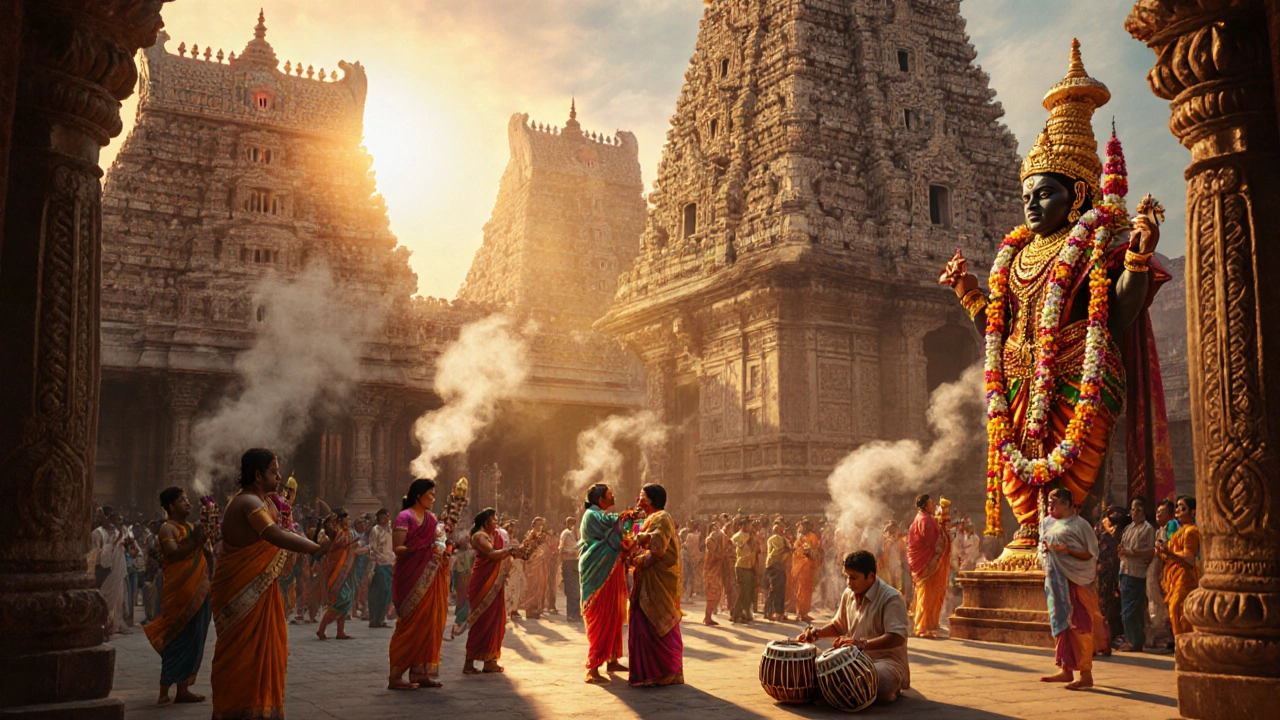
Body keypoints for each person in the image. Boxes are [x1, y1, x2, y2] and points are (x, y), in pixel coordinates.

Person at [936, 40, 1174, 552]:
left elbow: (1120, 310)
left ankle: (1071, 554)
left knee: (1073, 493)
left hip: (1080, 380)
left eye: (1045, 193)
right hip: (1019, 385)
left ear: (1081, 195)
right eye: (1027, 196)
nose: (1032, 204)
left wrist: (1138, 254)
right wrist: (967, 289)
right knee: (1022, 489)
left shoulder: (1095, 245)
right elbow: (997, 329)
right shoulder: (1017, 256)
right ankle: (1027, 545)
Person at [209, 448, 322, 720]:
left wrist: (316, 543)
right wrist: (317, 548)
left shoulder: (267, 503)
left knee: (267, 654)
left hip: (261, 591)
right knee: (241, 660)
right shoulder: (248, 503)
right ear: (258, 475)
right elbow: (274, 534)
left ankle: (260, 711)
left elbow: (285, 531)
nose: (280, 477)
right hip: (241, 592)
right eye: (274, 471)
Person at [797, 550, 911, 704]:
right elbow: (839, 626)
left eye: (854, 577)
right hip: (852, 658)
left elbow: (897, 637)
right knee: (812, 670)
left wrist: (862, 645)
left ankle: (891, 687)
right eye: (847, 577)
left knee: (872, 681)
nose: (849, 582)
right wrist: (816, 634)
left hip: (886, 661)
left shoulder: (891, 597)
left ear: (871, 576)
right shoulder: (849, 592)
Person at [145, 486, 212, 705]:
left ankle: (183, 689)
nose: (187, 503)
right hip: (179, 593)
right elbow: (172, 554)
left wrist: (205, 546)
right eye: (182, 500)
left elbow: (206, 554)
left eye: (187, 499)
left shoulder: (193, 528)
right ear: (171, 506)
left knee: (195, 639)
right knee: (175, 638)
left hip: (198, 591)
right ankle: (165, 690)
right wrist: (196, 542)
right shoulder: (167, 529)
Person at [387, 480, 451, 690]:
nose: (433, 498)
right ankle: (396, 676)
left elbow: (439, 543)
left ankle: (420, 672)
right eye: (430, 494)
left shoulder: (432, 519)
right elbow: (398, 549)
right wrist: (423, 548)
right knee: (410, 625)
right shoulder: (405, 517)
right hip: (410, 579)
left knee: (430, 622)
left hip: (429, 578)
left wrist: (442, 551)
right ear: (418, 496)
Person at [1039, 487, 1101, 691]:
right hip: (1054, 580)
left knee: (1079, 624)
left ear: (1067, 504)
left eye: (1054, 501)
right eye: (1049, 501)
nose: (1050, 505)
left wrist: (1067, 551)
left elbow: (1091, 554)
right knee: (1059, 622)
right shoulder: (1046, 523)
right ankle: (1065, 668)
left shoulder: (1081, 525)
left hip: (1074, 580)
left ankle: (1086, 673)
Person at [627, 484, 684, 687]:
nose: (639, 501)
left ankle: (667, 671)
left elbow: (659, 546)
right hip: (647, 580)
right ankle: (651, 672)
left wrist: (639, 548)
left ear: (652, 500)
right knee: (644, 624)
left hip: (659, 582)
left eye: (642, 497)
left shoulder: (662, 517)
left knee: (659, 622)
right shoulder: (649, 519)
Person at [579, 484, 628, 684]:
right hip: (598, 572)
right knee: (602, 616)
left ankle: (612, 658)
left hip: (610, 569)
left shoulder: (599, 514)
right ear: (601, 499)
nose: (613, 495)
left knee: (615, 614)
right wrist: (628, 515)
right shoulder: (592, 514)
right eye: (609, 493)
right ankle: (593, 667)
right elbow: (612, 524)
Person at [463, 508, 514, 674]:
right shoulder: (479, 536)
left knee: (496, 619)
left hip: (495, 582)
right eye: (494, 520)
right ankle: (469, 662)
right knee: (481, 620)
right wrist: (510, 551)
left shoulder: (495, 535)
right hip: (483, 582)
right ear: (485, 522)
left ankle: (490, 660)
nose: (497, 523)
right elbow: (491, 554)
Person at [316, 510, 366, 640]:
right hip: (337, 571)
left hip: (348, 571)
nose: (348, 520)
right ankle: (321, 629)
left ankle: (340, 631)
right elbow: (333, 543)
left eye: (348, 518)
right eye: (345, 518)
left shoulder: (351, 533)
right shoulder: (337, 533)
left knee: (347, 601)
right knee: (340, 600)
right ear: (339, 520)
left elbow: (354, 550)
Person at [907, 494, 950, 639]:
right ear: (926, 505)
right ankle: (922, 627)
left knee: (928, 594)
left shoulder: (923, 518)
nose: (933, 504)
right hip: (926, 560)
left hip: (925, 560)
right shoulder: (925, 520)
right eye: (931, 502)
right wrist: (944, 534)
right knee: (927, 595)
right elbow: (932, 541)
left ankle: (930, 625)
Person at [1159, 495, 1199, 637]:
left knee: (1178, 609)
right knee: (1174, 609)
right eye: (1177, 507)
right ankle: (1181, 644)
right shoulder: (1179, 532)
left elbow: (1188, 559)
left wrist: (1169, 553)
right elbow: (1168, 555)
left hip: (1185, 577)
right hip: (1175, 577)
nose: (1177, 510)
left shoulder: (1191, 532)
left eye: (1183, 508)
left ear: (1193, 512)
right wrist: (1161, 551)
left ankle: (1185, 643)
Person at [1117, 498, 1155, 652]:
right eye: (1132, 510)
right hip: (1125, 570)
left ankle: (1135, 641)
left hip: (1137, 572)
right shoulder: (1128, 528)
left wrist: (1132, 552)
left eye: (1137, 510)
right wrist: (1122, 551)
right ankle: (1131, 639)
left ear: (1144, 511)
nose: (1134, 513)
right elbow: (1123, 548)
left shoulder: (1148, 529)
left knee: (1132, 610)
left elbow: (1151, 552)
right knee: (1126, 609)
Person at [92, 506, 129, 635]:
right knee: (105, 596)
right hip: (105, 570)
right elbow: (98, 553)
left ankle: (114, 624)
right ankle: (102, 624)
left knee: (118, 597)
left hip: (117, 570)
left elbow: (124, 547)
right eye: (109, 517)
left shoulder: (118, 532)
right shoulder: (98, 532)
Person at [1146, 499, 1177, 649]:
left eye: (1162, 512)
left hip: (1165, 568)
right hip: (1156, 567)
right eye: (1157, 511)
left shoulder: (1172, 529)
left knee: (1166, 604)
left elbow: (1169, 552)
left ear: (1171, 515)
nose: (1158, 514)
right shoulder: (1160, 530)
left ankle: (1170, 637)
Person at [367, 508, 395, 629]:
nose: (385, 518)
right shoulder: (376, 530)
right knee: (378, 592)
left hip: (389, 563)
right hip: (379, 564)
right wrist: (373, 563)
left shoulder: (390, 530)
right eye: (383, 516)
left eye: (387, 516)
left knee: (387, 593)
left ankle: (381, 618)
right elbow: (372, 548)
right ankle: (374, 619)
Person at [791, 518, 821, 622]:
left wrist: (811, 553)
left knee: (807, 590)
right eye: (802, 526)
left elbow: (816, 550)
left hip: (808, 566)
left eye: (805, 526)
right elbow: (795, 550)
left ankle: (804, 613)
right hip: (800, 567)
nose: (803, 528)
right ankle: (800, 612)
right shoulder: (799, 538)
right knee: (800, 590)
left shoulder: (812, 537)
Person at [521, 517, 550, 620]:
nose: (540, 527)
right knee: (533, 586)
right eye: (538, 525)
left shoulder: (541, 536)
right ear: (534, 526)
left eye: (541, 525)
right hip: (533, 565)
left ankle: (537, 609)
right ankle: (530, 610)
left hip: (541, 564)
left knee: (540, 585)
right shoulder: (531, 536)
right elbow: (527, 549)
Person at [730, 518, 757, 624]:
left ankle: (740, 613)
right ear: (742, 525)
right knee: (743, 591)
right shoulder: (738, 536)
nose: (750, 526)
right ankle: (736, 614)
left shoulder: (749, 535)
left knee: (747, 591)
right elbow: (739, 547)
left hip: (749, 565)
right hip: (742, 565)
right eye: (749, 524)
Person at [701, 518, 727, 626]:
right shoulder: (710, 540)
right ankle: (707, 617)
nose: (716, 530)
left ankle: (708, 616)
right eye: (714, 528)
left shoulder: (716, 541)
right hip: (711, 573)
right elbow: (715, 554)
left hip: (715, 571)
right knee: (712, 593)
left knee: (716, 593)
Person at [764, 520, 791, 621]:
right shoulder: (776, 538)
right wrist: (787, 549)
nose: (783, 530)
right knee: (775, 589)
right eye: (781, 528)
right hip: (774, 566)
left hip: (779, 566)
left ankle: (779, 612)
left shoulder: (780, 538)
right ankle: (769, 612)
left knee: (780, 590)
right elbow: (777, 551)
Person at [559, 516, 581, 621]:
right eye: (570, 522)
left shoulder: (577, 533)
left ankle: (577, 613)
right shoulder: (565, 533)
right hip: (568, 562)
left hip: (577, 562)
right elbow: (561, 548)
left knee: (577, 589)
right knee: (571, 590)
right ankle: (571, 614)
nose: (572, 524)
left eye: (574, 522)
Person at [878, 521, 905, 594]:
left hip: (896, 567)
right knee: (894, 586)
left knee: (897, 586)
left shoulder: (894, 541)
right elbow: (887, 556)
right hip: (892, 567)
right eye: (896, 530)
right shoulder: (889, 542)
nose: (898, 532)